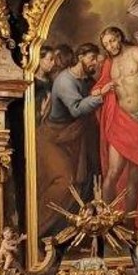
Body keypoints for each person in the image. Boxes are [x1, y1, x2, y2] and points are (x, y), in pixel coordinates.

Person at [37, 43, 109, 238]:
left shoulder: (86, 81)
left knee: (80, 183)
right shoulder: (65, 81)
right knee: (64, 181)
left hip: (72, 139)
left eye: (96, 60)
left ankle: (65, 234)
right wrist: (101, 96)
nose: (95, 63)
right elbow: (76, 109)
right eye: (91, 58)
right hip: (53, 138)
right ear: (80, 57)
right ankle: (36, 229)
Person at [95, 26, 138, 215]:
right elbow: (97, 90)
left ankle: (129, 223)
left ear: (119, 37)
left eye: (112, 41)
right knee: (112, 173)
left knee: (134, 179)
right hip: (120, 121)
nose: (110, 46)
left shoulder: (136, 52)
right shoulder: (108, 64)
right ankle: (105, 220)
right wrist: (103, 90)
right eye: (106, 44)